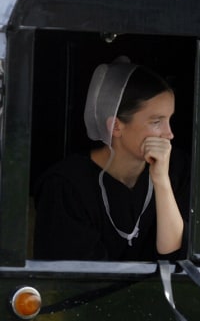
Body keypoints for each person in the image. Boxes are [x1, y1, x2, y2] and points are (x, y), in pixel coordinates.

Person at [33, 58, 189, 261]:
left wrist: (161, 181)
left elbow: (175, 257)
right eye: (157, 122)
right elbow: (74, 278)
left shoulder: (176, 169)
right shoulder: (66, 186)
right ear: (116, 126)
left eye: (169, 120)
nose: (169, 134)